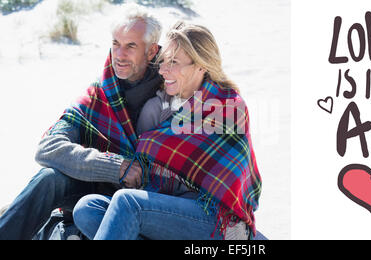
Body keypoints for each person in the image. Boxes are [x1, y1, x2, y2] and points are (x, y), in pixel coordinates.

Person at [72, 21, 263, 240]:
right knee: (88, 208)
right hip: (167, 211)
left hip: (213, 219)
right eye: (164, 61)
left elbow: (231, 181)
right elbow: (146, 172)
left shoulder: (227, 106)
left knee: (128, 202)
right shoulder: (159, 107)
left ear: (201, 65)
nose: (163, 70)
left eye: (173, 62)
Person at [0, 5, 163, 240]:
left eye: (131, 46)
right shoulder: (100, 92)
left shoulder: (171, 88)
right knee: (49, 179)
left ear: (151, 51)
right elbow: (49, 147)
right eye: (116, 43)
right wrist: (115, 166)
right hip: (91, 192)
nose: (119, 54)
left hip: (148, 202)